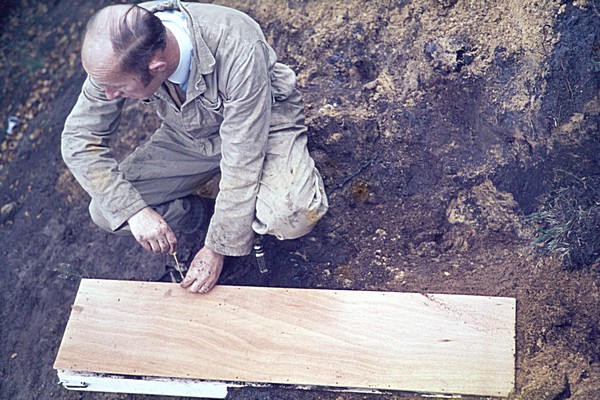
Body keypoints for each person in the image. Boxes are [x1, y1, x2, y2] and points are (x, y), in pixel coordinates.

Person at [61, 1, 328, 294]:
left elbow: (243, 158)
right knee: (109, 210)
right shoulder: (119, 48)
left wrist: (217, 248)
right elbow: (78, 140)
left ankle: (248, 212)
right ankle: (204, 215)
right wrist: (135, 212)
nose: (109, 95)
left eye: (119, 88)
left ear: (157, 68)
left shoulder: (237, 47)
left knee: (292, 216)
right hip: (190, 134)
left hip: (263, 125)